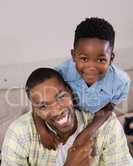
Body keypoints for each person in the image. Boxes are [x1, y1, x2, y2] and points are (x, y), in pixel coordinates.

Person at [0, 68, 133, 166]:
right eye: (43, 106)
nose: (57, 110)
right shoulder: (19, 132)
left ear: (70, 91)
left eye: (61, 96)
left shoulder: (105, 123)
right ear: (36, 111)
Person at [34, 17, 130, 150]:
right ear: (74, 55)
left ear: (111, 58)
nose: (91, 67)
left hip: (96, 117)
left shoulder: (120, 82)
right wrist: (43, 132)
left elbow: (108, 107)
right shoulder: (61, 73)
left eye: (101, 59)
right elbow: (39, 100)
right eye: (84, 58)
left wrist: (87, 132)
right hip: (67, 114)